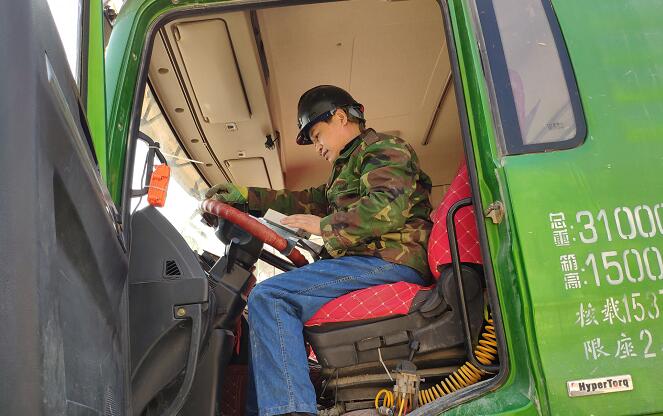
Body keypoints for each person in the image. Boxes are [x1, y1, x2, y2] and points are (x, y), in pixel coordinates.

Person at [206, 85, 433, 416]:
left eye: (317, 135)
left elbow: (388, 206)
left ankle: (289, 410)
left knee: (270, 297)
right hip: (368, 262)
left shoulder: (385, 149)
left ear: (340, 117)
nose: (317, 147)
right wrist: (247, 198)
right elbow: (306, 201)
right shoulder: (346, 168)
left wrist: (324, 226)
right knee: (268, 302)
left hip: (391, 259)